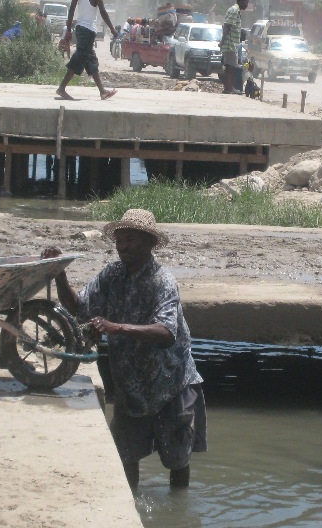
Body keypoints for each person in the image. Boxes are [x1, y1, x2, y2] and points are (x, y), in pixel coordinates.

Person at [41, 208, 207, 489]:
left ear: (149, 243)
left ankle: (179, 506)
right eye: (119, 240)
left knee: (177, 461)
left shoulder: (162, 281)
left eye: (130, 239)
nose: (122, 246)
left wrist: (115, 327)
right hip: (131, 386)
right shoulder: (112, 274)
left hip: (171, 385)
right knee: (126, 456)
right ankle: (133, 503)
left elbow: (166, 333)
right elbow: (79, 308)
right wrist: (59, 274)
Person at [56, 0, 117, 101]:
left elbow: (72, 8)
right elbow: (102, 11)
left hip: (79, 28)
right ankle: (62, 88)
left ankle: (102, 91)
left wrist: (69, 29)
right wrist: (112, 29)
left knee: (90, 59)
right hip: (88, 29)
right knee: (80, 58)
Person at [220, 0, 249, 94]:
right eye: (246, 2)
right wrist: (223, 40)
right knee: (231, 67)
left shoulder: (235, 10)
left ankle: (228, 88)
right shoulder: (234, 10)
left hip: (232, 43)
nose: (247, 5)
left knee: (230, 66)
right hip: (230, 43)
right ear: (241, 1)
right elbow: (227, 26)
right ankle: (229, 88)